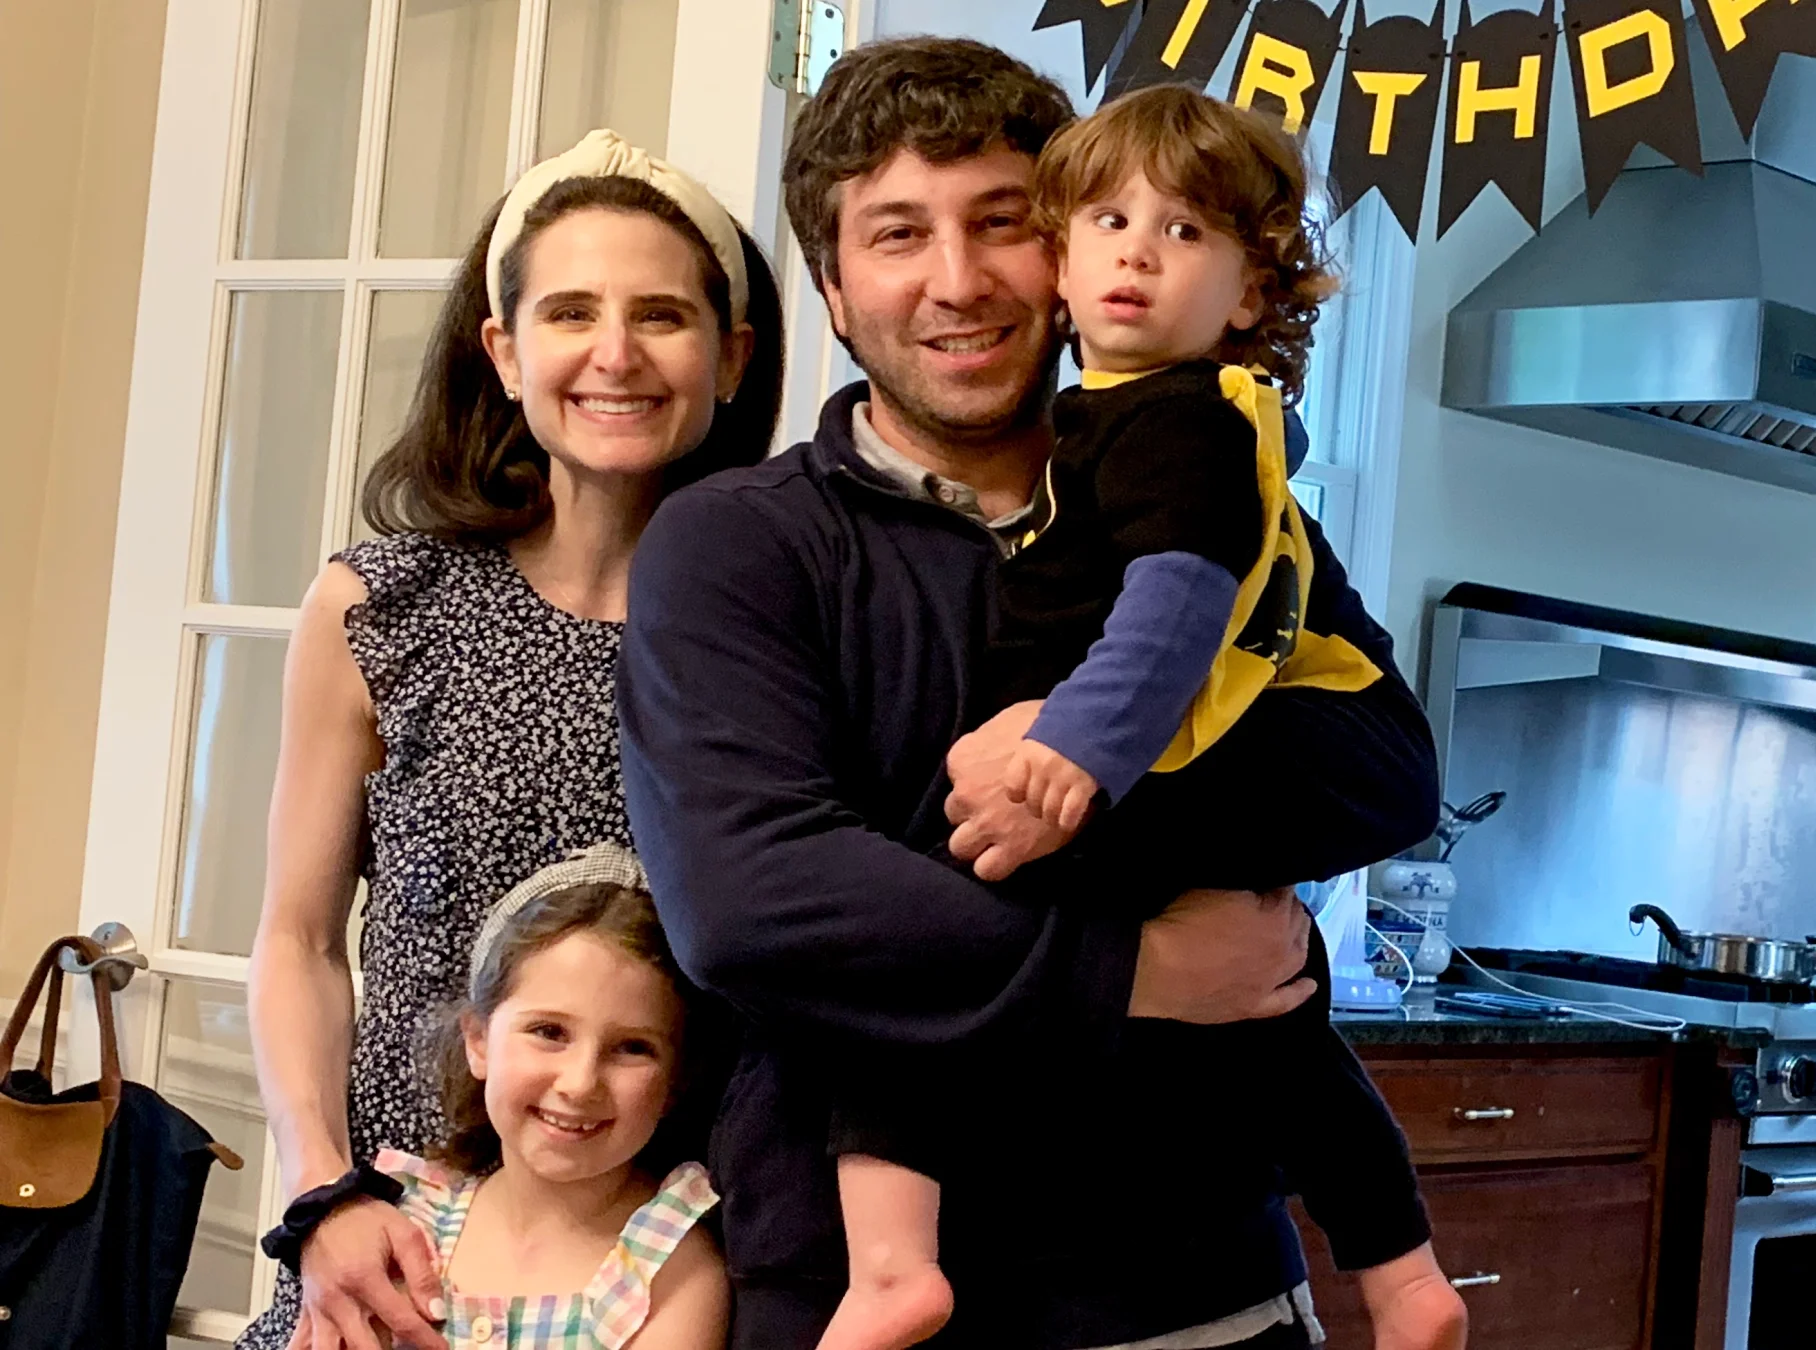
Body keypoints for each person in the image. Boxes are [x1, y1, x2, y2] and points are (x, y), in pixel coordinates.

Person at [619, 38, 1467, 1350]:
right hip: (863, 1294)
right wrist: (1141, 963)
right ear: (836, 291)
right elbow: (757, 902)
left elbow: (1386, 770)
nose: (956, 281)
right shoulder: (737, 543)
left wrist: (1095, 775)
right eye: (898, 235)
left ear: (1062, 259)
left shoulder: (1207, 490)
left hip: (1203, 1290)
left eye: (1001, 224)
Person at [821, 84, 1435, 1350]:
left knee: (913, 997)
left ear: (1254, 295)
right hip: (1085, 1249)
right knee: (1280, 1017)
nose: (1136, 256)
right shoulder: (1129, 424)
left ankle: (890, 1267)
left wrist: (1074, 754)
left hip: (1201, 1277)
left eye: (1186, 234)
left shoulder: (1176, 422)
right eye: (1105, 221)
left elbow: (1182, 612)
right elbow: (752, 906)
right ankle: (1403, 1270)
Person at [242, 130, 783, 1350]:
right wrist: (320, 1191)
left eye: (661, 315)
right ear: (504, 348)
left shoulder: (777, 632)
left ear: (732, 356)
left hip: (659, 1273)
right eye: (572, 311)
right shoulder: (382, 610)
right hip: (385, 1252)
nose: (614, 354)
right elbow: (294, 940)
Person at [375, 846, 725, 1346]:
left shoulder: (669, 1267)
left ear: (677, 1079)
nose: (581, 1083)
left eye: (632, 1048)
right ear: (478, 1042)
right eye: (549, 1032)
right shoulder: (407, 1224)